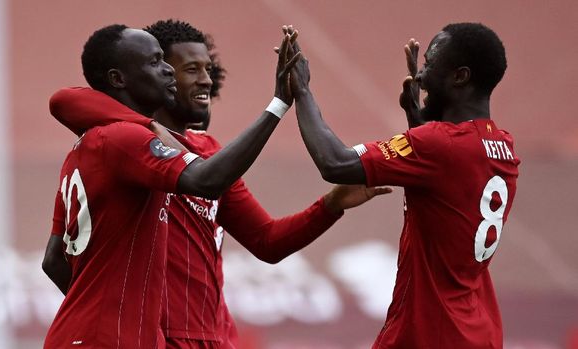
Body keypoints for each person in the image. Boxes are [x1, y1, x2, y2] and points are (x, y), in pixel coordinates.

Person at [45, 21, 391, 349]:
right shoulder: (128, 143)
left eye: (209, 70)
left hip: (208, 336)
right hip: (151, 337)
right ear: (125, 77)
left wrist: (330, 205)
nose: (205, 80)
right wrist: (115, 313)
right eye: (188, 69)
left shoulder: (205, 153)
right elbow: (64, 99)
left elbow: (266, 241)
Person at [286, 23, 520, 348]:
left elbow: (335, 163)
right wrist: (419, 125)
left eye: (430, 64)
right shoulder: (503, 146)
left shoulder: (438, 145)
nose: (420, 77)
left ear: (460, 77)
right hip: (477, 330)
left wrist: (302, 91)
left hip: (426, 333)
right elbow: (449, 183)